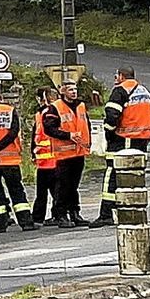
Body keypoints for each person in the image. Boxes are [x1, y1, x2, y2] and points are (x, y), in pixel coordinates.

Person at [92, 67, 150, 229]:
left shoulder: (120, 91)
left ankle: (106, 214)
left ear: (121, 76)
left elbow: (111, 116)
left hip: (123, 140)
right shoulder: (143, 91)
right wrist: (147, 128)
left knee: (112, 174)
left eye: (116, 75)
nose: (114, 79)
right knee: (135, 175)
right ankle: (133, 210)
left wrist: (109, 133)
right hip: (141, 141)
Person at [42, 80, 92, 228]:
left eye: (75, 89)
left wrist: (88, 143)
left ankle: (75, 213)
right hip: (64, 154)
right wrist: (67, 135)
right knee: (63, 186)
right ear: (63, 91)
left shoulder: (81, 106)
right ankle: (61, 215)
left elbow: (86, 126)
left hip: (79, 152)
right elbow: (49, 128)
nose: (74, 92)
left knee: (74, 186)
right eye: (70, 89)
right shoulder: (55, 108)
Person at [0, 96, 36, 231]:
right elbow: (13, 132)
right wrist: (1, 146)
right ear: (2, 99)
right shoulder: (10, 110)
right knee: (17, 190)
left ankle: (0, 224)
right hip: (10, 160)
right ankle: (26, 222)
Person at [32, 87, 62, 226]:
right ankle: (54, 215)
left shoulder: (47, 113)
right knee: (52, 190)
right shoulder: (45, 113)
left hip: (50, 159)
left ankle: (42, 217)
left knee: (47, 191)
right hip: (47, 159)